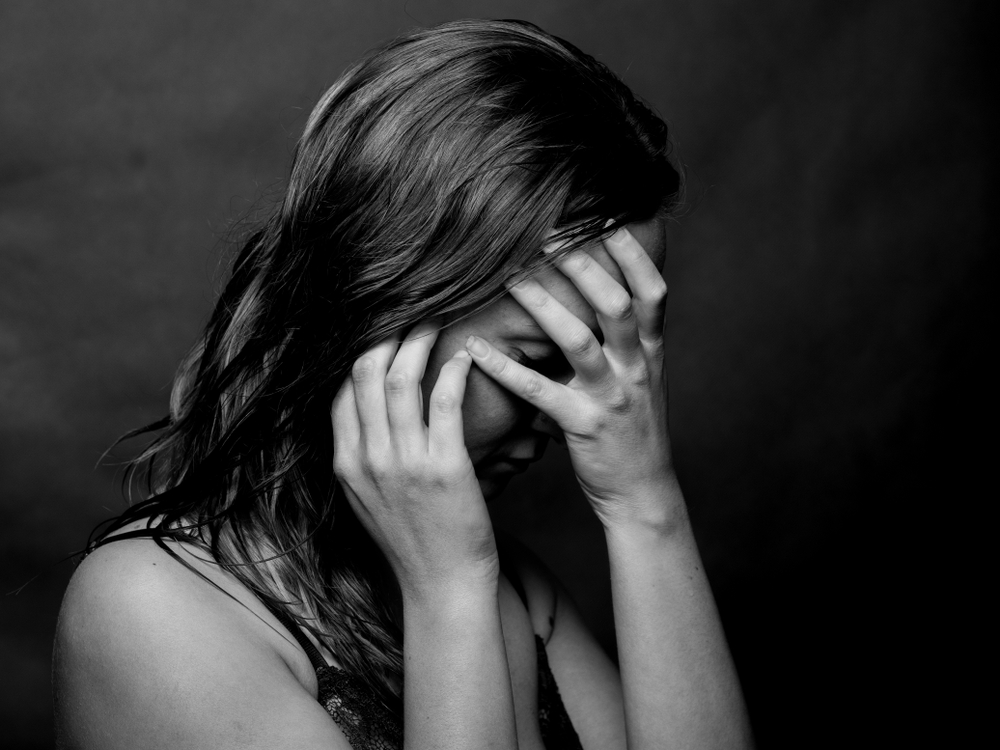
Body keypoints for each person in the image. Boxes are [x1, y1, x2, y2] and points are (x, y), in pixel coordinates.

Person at [53, 18, 753, 750]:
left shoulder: (518, 589)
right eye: (541, 359)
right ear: (378, 324)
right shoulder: (151, 610)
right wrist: (450, 596)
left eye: (615, 366)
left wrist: (645, 505)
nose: (587, 413)